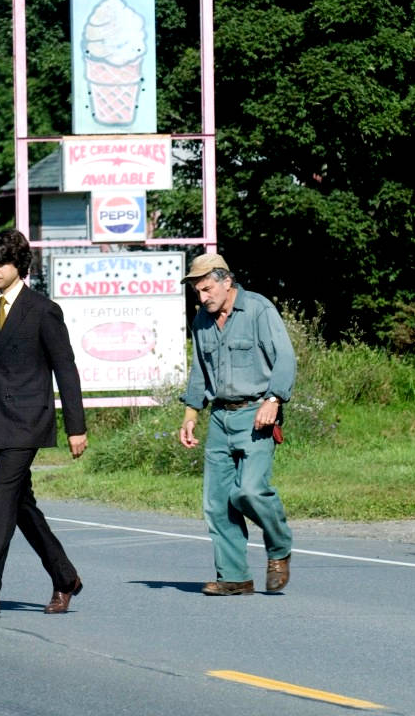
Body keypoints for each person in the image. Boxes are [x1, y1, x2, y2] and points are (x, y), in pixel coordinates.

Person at [0, 229, 88, 618]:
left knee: (1, 503)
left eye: (1, 262)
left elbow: (66, 369)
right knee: (20, 505)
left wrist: (77, 426)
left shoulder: (43, 310)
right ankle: (65, 577)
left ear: (19, 266)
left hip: (28, 422)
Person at [177, 253, 297, 596]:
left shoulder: (258, 309)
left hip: (257, 412)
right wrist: (190, 414)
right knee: (217, 503)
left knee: (248, 491)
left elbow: (285, 357)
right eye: (198, 292)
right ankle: (234, 576)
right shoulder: (202, 319)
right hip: (219, 416)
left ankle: (279, 546)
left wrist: (274, 400)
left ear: (227, 281)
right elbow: (199, 369)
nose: (203, 298)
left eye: (207, 289)